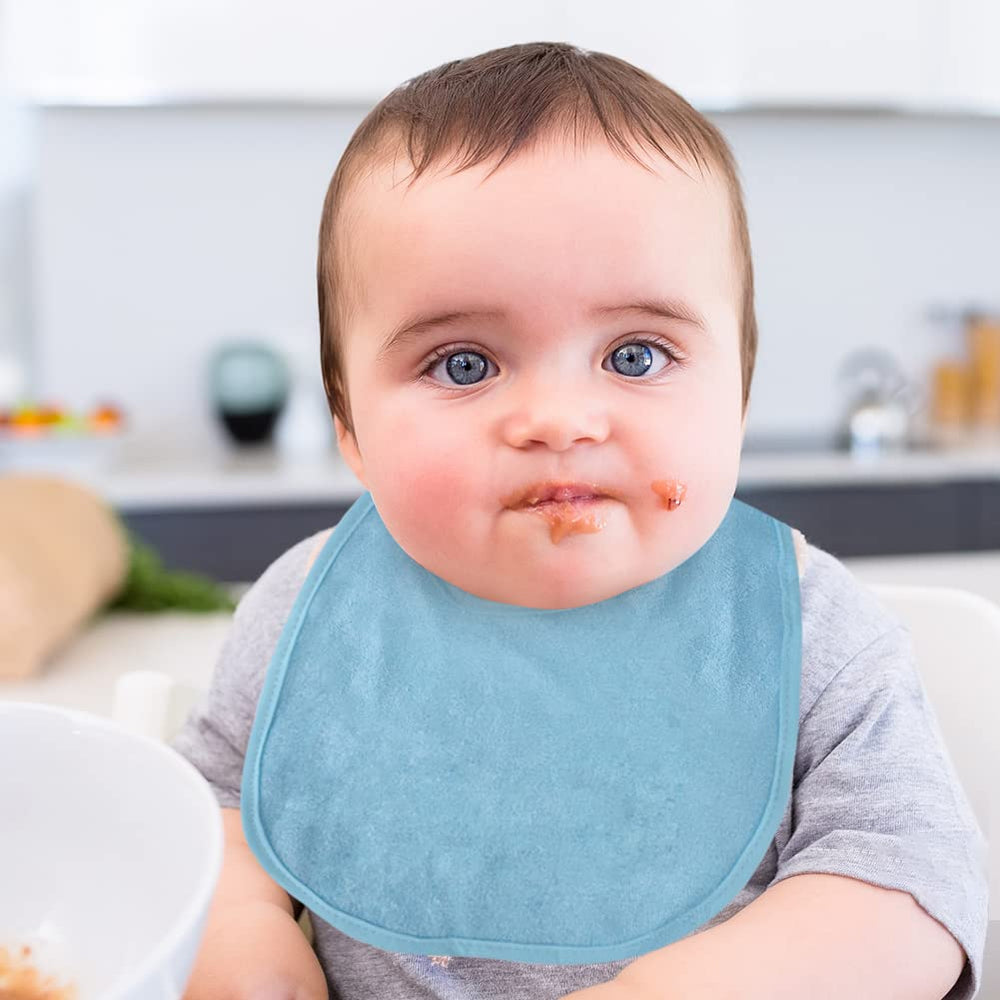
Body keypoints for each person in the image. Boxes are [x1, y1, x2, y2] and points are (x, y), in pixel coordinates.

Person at [174, 41, 988, 1000]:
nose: (560, 421)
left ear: (738, 396)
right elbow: (217, 809)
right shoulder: (311, 609)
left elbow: (912, 884)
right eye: (464, 364)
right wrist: (240, 935)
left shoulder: (808, 630)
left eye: (636, 356)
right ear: (349, 424)